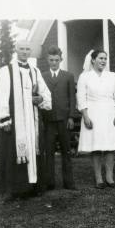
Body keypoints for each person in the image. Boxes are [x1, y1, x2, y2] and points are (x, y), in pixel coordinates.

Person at [0, 40, 52, 201]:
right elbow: (0, 96)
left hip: (32, 121)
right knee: (14, 152)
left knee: (34, 151)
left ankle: (33, 187)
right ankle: (14, 190)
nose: (25, 52)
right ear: (16, 50)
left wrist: (40, 98)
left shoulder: (35, 71)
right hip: (15, 121)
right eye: (22, 49)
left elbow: (46, 95)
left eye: (28, 49)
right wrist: (4, 119)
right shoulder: (6, 71)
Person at [76, 49, 115, 189]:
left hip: (109, 113)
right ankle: (99, 178)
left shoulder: (112, 76)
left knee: (110, 147)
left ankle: (109, 177)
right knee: (96, 147)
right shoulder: (84, 76)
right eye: (100, 58)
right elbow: (81, 97)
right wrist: (85, 116)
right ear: (93, 60)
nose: (103, 61)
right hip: (93, 113)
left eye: (105, 58)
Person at [41, 45, 78, 190]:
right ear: (47, 60)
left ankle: (68, 182)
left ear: (60, 60)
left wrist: (71, 117)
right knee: (48, 151)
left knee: (66, 151)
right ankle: (49, 182)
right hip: (48, 119)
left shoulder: (68, 76)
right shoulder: (42, 76)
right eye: (51, 60)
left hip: (64, 119)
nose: (54, 62)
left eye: (56, 60)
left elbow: (72, 98)